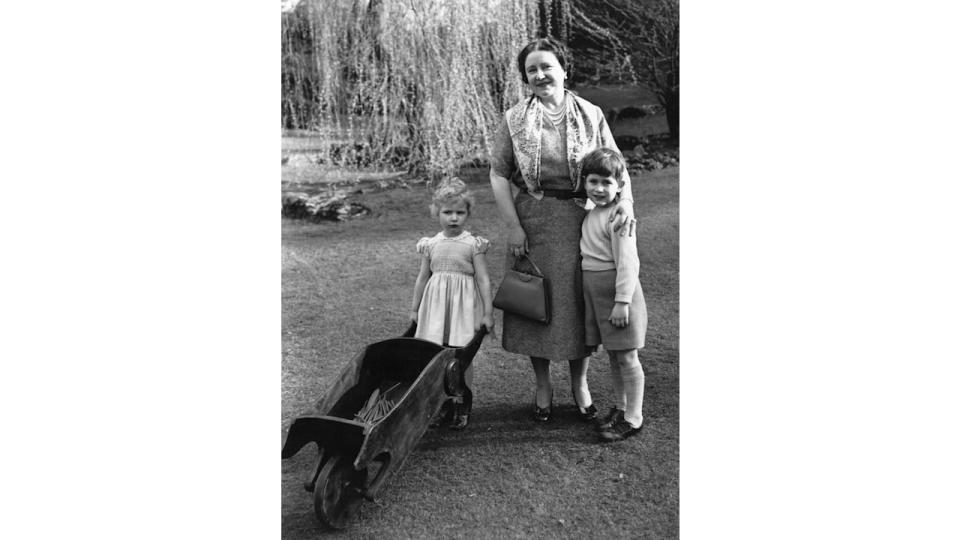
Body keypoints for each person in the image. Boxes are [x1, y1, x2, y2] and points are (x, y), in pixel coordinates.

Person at [489, 37, 637, 422]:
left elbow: (616, 166)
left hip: (580, 223)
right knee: (534, 304)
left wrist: (626, 205)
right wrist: (513, 226)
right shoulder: (514, 118)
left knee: (574, 307)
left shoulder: (590, 113)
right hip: (532, 224)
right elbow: (498, 173)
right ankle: (542, 385)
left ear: (563, 69)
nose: (540, 75)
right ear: (526, 77)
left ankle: (580, 384)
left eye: (546, 66)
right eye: (532, 70)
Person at [410, 177, 494, 430]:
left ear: (468, 213)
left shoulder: (473, 245)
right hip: (436, 308)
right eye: (448, 212)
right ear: (437, 212)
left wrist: (488, 313)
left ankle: (461, 402)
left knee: (462, 356)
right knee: (437, 357)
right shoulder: (431, 244)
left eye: (460, 212)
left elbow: (483, 279)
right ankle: (441, 403)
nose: (454, 218)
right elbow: (423, 278)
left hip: (464, 308)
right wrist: (415, 309)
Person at [577, 148, 648, 442]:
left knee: (628, 357)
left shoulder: (620, 218)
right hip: (597, 292)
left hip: (618, 296)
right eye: (593, 181)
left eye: (607, 183)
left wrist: (622, 302)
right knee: (615, 357)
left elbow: (628, 263)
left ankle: (634, 417)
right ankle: (621, 408)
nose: (599, 188)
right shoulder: (593, 212)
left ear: (620, 185)